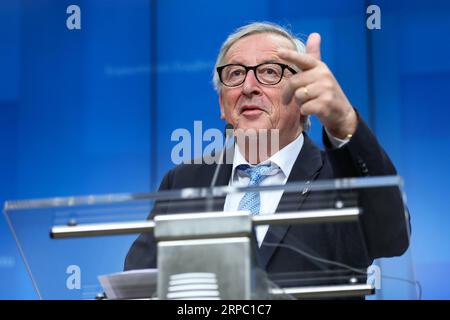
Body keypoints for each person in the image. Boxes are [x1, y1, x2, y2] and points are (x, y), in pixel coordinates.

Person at [124, 22, 410, 284]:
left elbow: (391, 238)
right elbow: (139, 279)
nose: (249, 87)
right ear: (222, 106)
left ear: (304, 95)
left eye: (269, 72)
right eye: (235, 74)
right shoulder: (185, 180)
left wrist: (345, 121)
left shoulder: (339, 177)